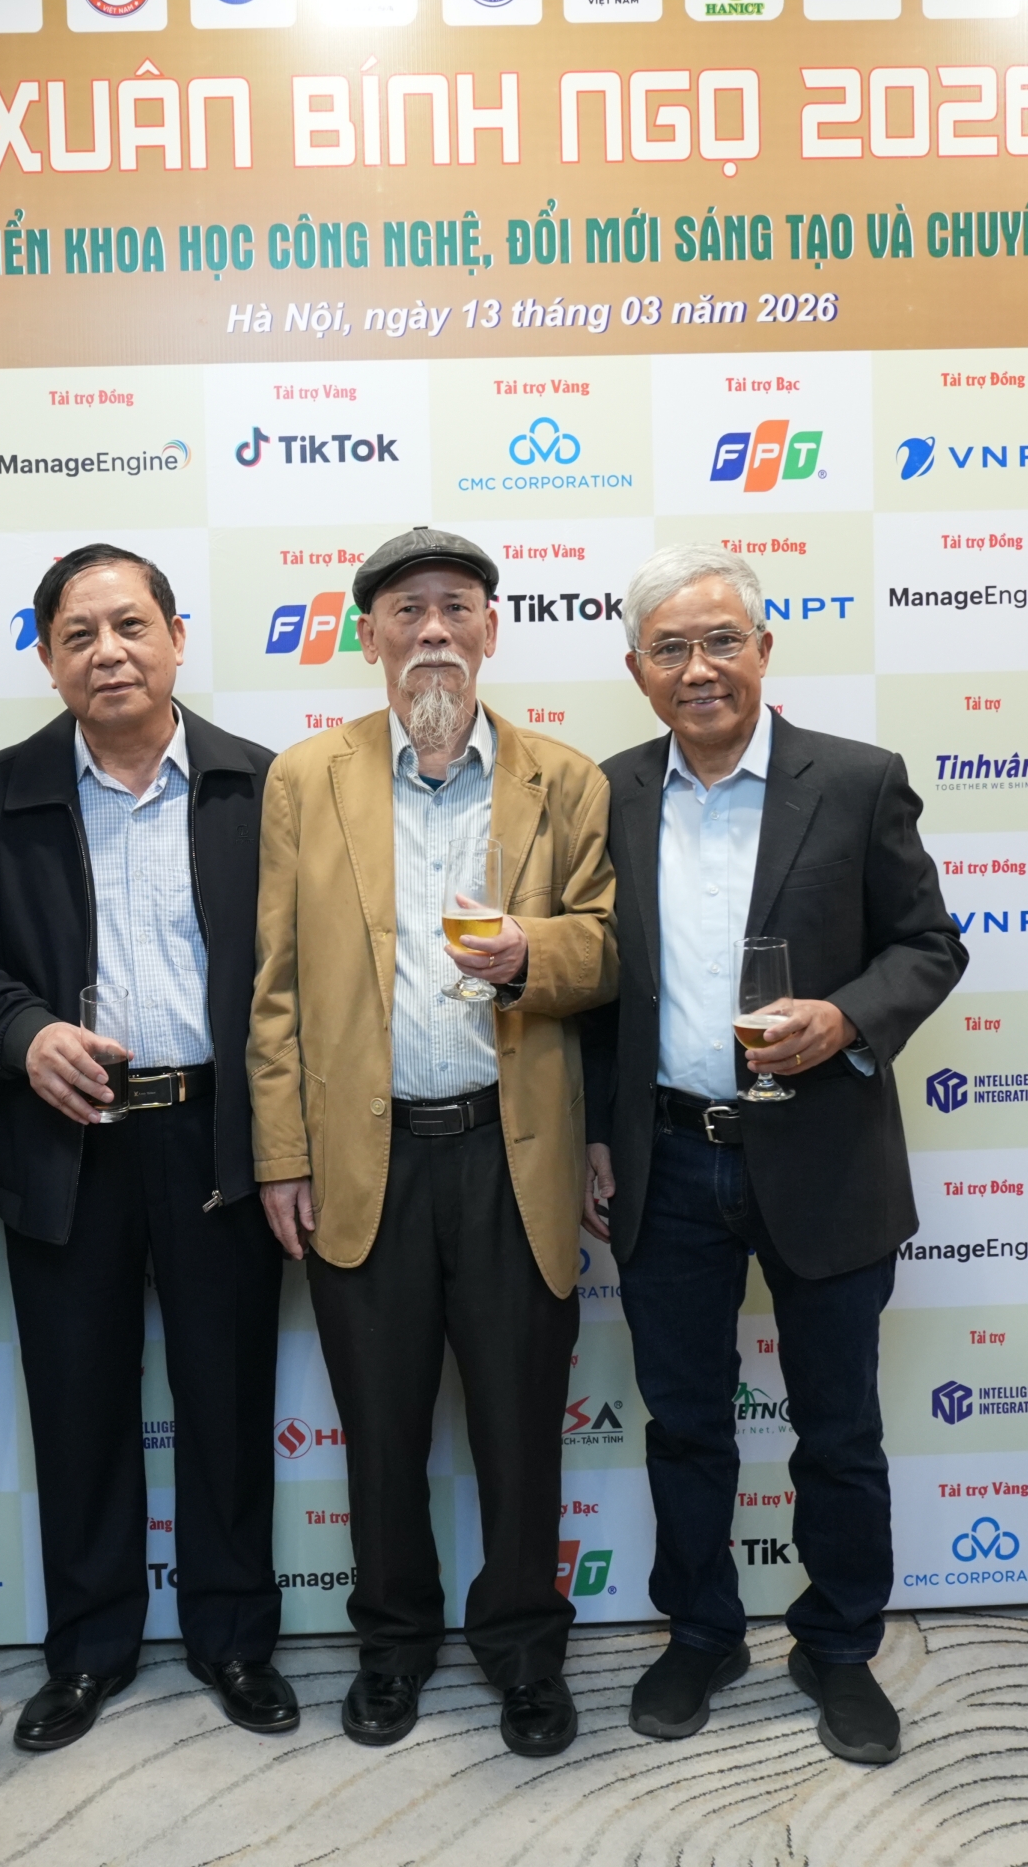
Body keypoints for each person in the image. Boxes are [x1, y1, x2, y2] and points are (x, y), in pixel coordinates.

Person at [581, 545, 966, 1766]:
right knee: (685, 1423)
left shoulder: (855, 780)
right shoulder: (606, 792)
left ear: (763, 647)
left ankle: (839, 1644)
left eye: (721, 641)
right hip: (667, 1158)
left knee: (838, 1427)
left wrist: (846, 1018)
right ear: (637, 670)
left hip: (825, 1154)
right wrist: (594, 1132)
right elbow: (591, 987)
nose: (699, 669)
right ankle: (701, 1631)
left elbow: (929, 944)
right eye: (671, 649)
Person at [248, 525, 617, 1758]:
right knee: (381, 1425)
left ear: (493, 629)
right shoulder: (308, 779)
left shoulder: (565, 778)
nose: (435, 632)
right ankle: (393, 1643)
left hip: (514, 1157)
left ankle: (525, 1650)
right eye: (408, 611)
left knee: (519, 1422)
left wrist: (532, 954)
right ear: (371, 637)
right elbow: (276, 987)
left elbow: (609, 946)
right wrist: (281, 1153)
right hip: (367, 1157)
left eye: (458, 607)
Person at [0, 544, 295, 1752]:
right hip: (68, 1135)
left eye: (132, 625)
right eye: (79, 634)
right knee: (78, 1401)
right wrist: (24, 1032)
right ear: (46, 658)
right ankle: (89, 1649)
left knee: (228, 1399)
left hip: (217, 1133)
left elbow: (302, 972)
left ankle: (235, 1638)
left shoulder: (262, 784)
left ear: (177, 637)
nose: (109, 652)